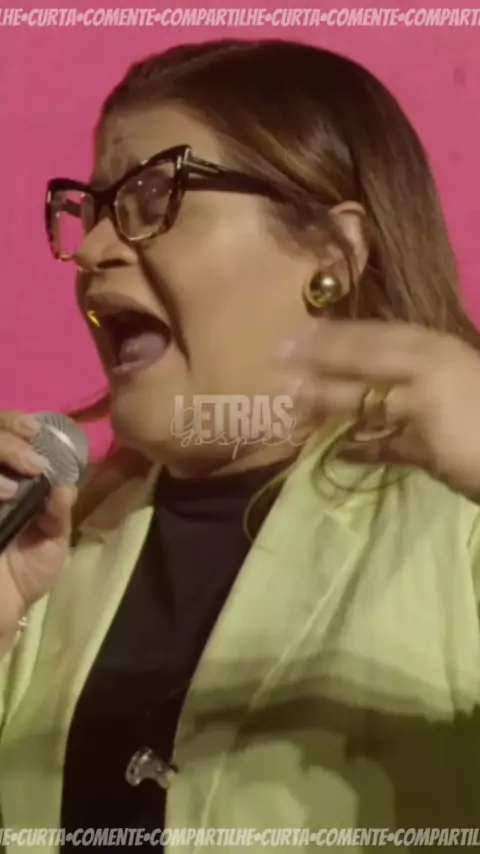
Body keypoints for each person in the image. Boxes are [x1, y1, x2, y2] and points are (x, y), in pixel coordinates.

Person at [1, 37, 480, 853]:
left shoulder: (458, 524)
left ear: (331, 255)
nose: (93, 249)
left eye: (154, 196)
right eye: (96, 208)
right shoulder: (51, 551)